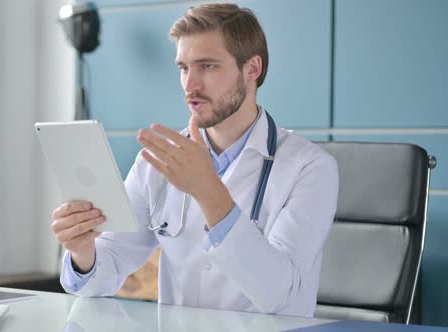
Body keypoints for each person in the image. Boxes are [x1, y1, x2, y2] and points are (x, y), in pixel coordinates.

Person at [51, 3, 339, 317]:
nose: (190, 86)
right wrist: (83, 252)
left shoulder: (311, 168)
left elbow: (277, 293)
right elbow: (106, 274)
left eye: (208, 66)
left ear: (252, 69)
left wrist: (207, 189)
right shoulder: (156, 163)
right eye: (184, 68)